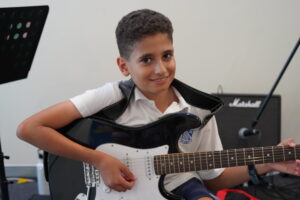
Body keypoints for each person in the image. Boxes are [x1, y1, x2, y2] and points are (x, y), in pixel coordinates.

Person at [17, 9, 300, 200]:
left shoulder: (197, 112)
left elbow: (212, 179)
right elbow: (29, 129)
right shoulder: (111, 95)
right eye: (146, 59)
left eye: (167, 55)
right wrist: (100, 159)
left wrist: (267, 163)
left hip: (179, 188)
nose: (161, 69)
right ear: (123, 65)